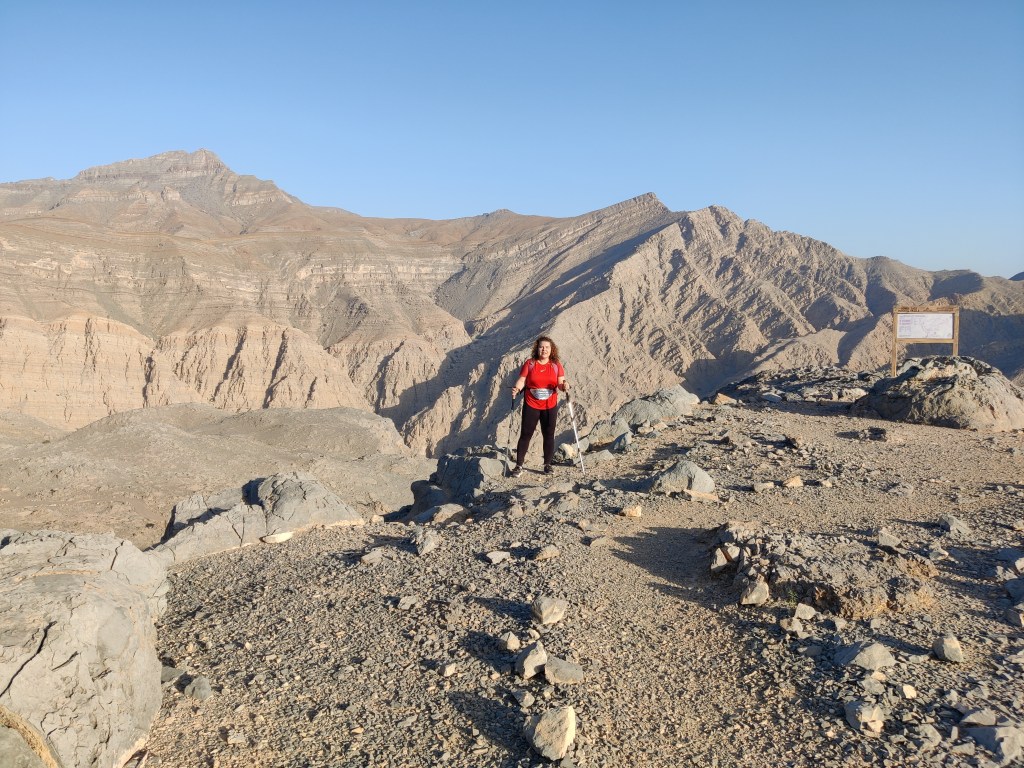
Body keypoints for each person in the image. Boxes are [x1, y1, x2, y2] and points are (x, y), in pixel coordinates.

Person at [509, 336, 568, 476]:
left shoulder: (556, 365)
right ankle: (519, 465)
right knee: (526, 434)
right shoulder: (530, 364)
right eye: (541, 347)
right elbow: (522, 380)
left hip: (550, 404)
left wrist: (565, 386)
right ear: (537, 348)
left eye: (547, 347)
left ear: (551, 349)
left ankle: (547, 464)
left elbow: (560, 383)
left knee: (548, 434)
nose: (544, 350)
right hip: (531, 403)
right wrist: (516, 389)